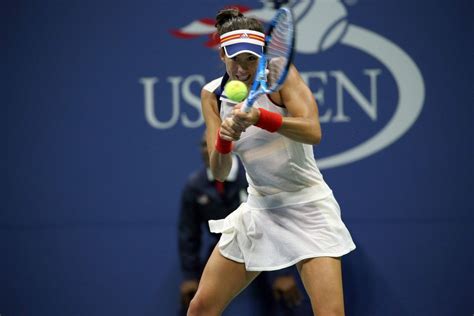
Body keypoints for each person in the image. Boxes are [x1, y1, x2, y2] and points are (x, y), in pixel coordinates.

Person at [188, 8, 356, 316]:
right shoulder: (212, 95)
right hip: (259, 211)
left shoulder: (281, 76)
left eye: (251, 58)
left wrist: (261, 117)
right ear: (222, 54)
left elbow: (313, 131)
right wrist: (225, 139)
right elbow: (220, 173)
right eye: (234, 58)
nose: (242, 68)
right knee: (200, 309)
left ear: (262, 56)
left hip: (308, 208)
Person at [178, 134, 305, 315]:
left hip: (265, 242)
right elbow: (188, 235)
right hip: (224, 244)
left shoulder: (252, 176)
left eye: (211, 144)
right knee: (195, 303)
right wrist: (189, 276)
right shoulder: (194, 186)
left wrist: (282, 274)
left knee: (288, 293)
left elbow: (276, 223)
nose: (206, 149)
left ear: (228, 145)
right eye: (202, 145)